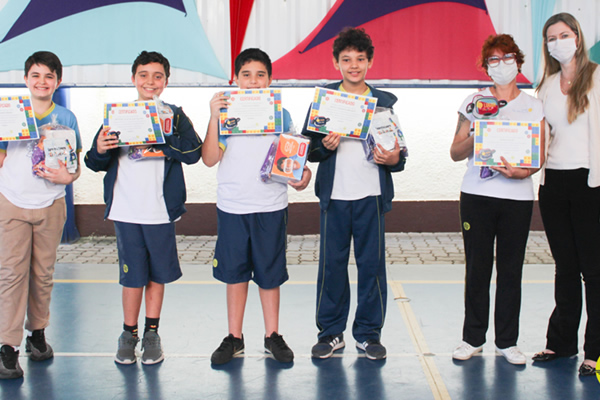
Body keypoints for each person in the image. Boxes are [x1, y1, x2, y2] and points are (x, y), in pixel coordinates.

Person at [85, 51, 202, 365]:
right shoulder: (118, 115)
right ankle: (128, 333)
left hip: (159, 211)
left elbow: (194, 152)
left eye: (158, 76)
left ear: (166, 81)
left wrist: (163, 139)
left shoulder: (175, 115)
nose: (151, 81)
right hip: (125, 209)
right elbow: (94, 161)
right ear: (133, 78)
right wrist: (99, 148)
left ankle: (152, 333)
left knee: (157, 275)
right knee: (131, 276)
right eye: (144, 75)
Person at [301, 28, 406, 361]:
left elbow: (399, 152)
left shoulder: (383, 102)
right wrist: (324, 147)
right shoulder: (324, 100)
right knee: (331, 266)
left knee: (371, 266)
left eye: (360, 59)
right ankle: (331, 333)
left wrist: (394, 159)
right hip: (334, 197)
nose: (354, 65)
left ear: (370, 61)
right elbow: (309, 150)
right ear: (336, 63)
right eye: (346, 59)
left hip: (371, 196)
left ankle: (368, 334)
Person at [203, 48, 311, 365]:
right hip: (233, 206)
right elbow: (209, 158)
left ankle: (272, 335)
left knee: (269, 274)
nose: (253, 81)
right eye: (246, 75)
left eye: (260, 75)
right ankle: (234, 337)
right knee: (235, 275)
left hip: (271, 205)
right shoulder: (224, 114)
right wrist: (212, 116)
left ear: (270, 80)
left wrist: (302, 177)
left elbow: (294, 160)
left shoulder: (282, 115)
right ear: (235, 80)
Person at [449, 34, 545, 365]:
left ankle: (507, 341)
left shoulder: (534, 105)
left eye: (507, 59)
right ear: (486, 67)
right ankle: (472, 338)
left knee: (510, 269)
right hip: (477, 195)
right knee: (477, 268)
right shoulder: (473, 103)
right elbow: (454, 151)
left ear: (518, 63)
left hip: (517, 198)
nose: (501, 65)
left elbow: (539, 156)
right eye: (494, 60)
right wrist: (476, 132)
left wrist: (523, 172)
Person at [0, 51, 82, 379]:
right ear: (25, 80)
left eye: (49, 76)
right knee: (11, 275)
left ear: (57, 82)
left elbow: (73, 166)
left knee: (43, 274)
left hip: (51, 204)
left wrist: (69, 177)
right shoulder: (9, 113)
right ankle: (7, 347)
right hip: (11, 202)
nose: (42, 82)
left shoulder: (67, 116)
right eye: (35, 75)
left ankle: (37, 335)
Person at [532, 12, 600, 377]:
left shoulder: (597, 78)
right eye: (550, 37)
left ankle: (595, 351)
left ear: (577, 36)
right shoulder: (546, 86)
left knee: (594, 269)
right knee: (565, 268)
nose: (557, 42)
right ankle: (561, 342)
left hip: (591, 184)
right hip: (554, 184)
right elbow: (539, 140)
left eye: (563, 34)